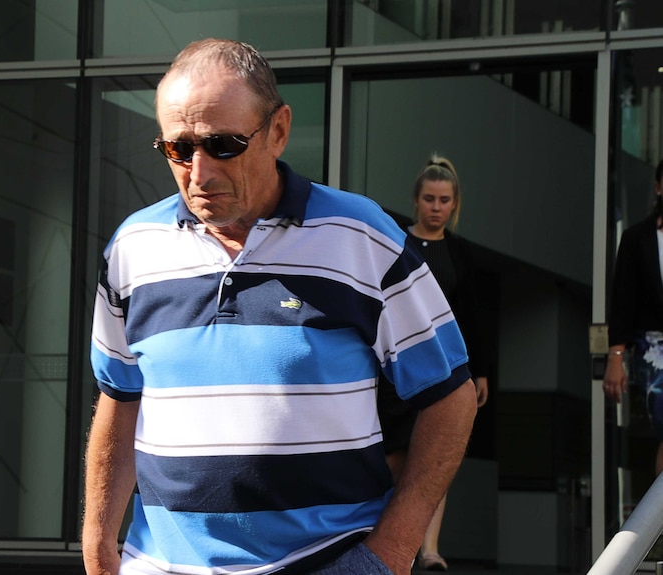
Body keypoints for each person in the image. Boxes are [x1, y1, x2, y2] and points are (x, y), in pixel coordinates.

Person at [81, 38, 477, 575]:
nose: (199, 173)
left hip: (325, 562)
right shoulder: (132, 248)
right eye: (178, 148)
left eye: (223, 145)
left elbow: (450, 397)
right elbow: (119, 400)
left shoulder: (360, 237)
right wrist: (100, 547)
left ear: (279, 131)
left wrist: (392, 551)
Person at [378, 156, 491, 571]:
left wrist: (479, 371)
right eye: (429, 199)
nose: (436, 207)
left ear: (454, 204)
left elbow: (472, 317)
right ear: (416, 200)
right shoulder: (398, 243)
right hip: (397, 370)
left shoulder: (460, 253)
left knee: (432, 459)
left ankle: (429, 550)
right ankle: (390, 542)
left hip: (442, 371)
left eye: (444, 200)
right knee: (393, 460)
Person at [604, 158, 663, 478]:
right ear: (658, 187)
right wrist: (616, 356)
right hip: (653, 350)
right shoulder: (636, 238)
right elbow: (623, 300)